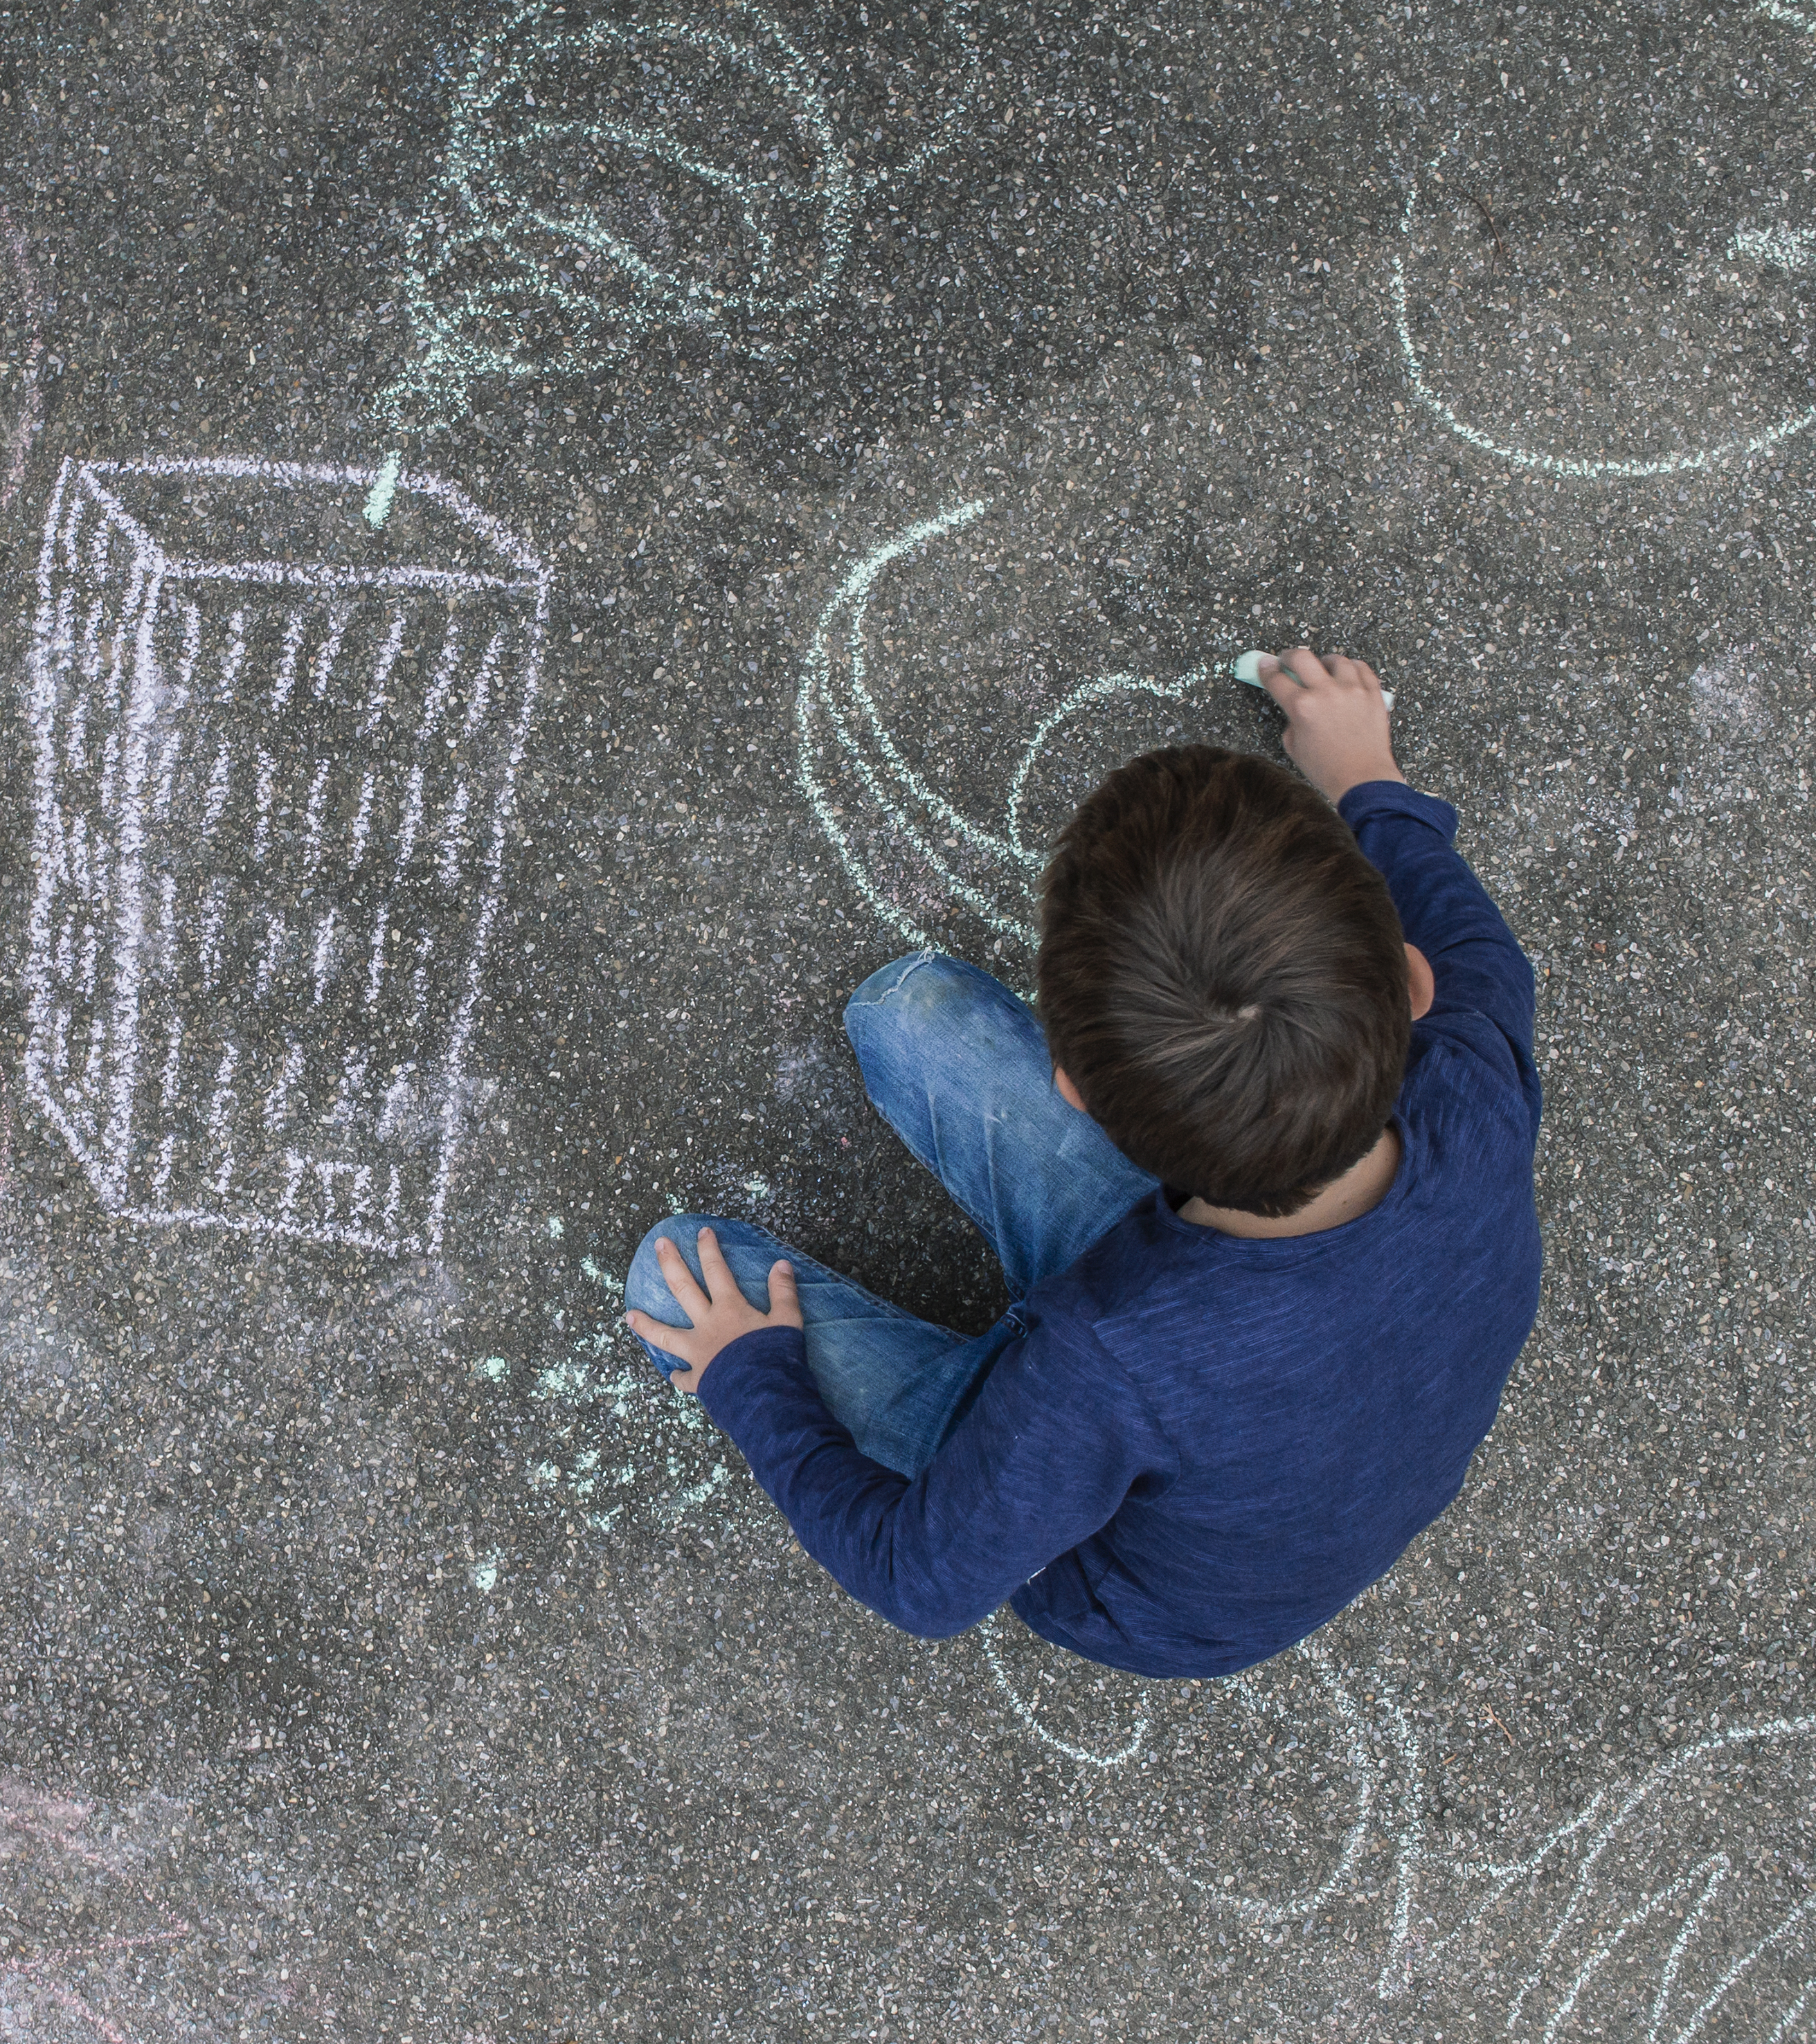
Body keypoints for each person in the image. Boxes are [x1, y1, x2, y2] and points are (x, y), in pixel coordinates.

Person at [625, 649, 1540, 1678]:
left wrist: (754, 1387)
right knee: (907, 1008)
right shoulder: (1473, 1062)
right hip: (1285, 1392)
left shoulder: (1104, 1364)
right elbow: (1454, 917)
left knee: (672, 1274)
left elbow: (920, 1582)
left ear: (1079, 1101)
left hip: (1143, 1580)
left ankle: (839, 1363)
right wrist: (1365, 775)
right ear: (1413, 984)